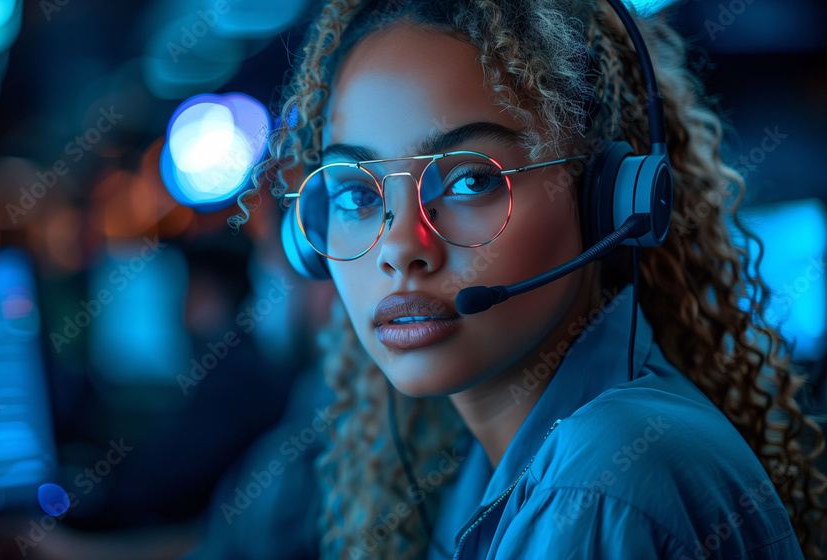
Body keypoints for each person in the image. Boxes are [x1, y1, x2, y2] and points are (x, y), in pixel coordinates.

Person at [230, 0, 827, 558]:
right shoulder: (504, 466)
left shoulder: (602, 485)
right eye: (357, 192)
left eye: (471, 181)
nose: (400, 249)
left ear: (610, 203)